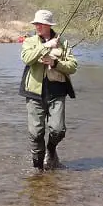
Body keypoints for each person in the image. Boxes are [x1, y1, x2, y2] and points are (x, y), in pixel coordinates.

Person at [19, 9, 78, 171]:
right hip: (34, 94)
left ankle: (51, 149)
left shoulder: (63, 43)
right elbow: (27, 59)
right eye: (36, 23)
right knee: (36, 134)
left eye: (40, 23)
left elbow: (73, 67)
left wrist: (55, 63)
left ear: (48, 25)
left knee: (58, 130)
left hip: (57, 92)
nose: (37, 26)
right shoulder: (30, 41)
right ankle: (38, 170)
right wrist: (46, 46)